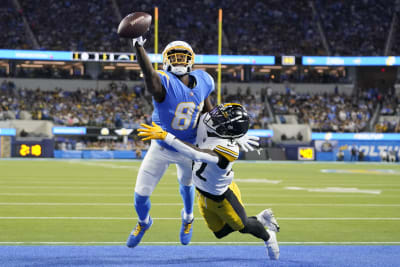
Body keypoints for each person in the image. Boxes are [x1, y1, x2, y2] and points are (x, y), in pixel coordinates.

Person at [126, 36, 259, 248]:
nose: (178, 62)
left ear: (190, 61)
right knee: (140, 195)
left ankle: (188, 218)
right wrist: (139, 46)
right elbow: (150, 79)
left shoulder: (204, 80)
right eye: (174, 58)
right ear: (166, 61)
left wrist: (232, 133)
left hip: (188, 147)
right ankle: (144, 222)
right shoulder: (163, 81)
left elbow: (209, 111)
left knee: (186, 186)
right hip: (161, 146)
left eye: (182, 58)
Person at [137, 103, 280, 260]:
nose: (215, 117)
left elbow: (196, 154)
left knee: (242, 226)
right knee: (219, 233)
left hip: (222, 196)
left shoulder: (230, 150)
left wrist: (166, 136)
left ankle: (268, 236)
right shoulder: (209, 123)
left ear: (228, 130)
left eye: (223, 119)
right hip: (202, 192)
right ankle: (260, 218)